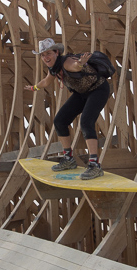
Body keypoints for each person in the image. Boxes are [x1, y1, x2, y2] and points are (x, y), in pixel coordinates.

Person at [25, 37, 110, 180]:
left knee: (86, 122)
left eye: (48, 53)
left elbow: (75, 66)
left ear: (56, 52)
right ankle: (69, 159)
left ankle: (95, 165)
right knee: (60, 121)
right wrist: (34, 87)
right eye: (43, 55)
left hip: (98, 90)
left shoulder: (66, 62)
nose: (46, 57)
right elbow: (46, 81)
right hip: (81, 93)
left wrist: (81, 64)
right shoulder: (54, 68)